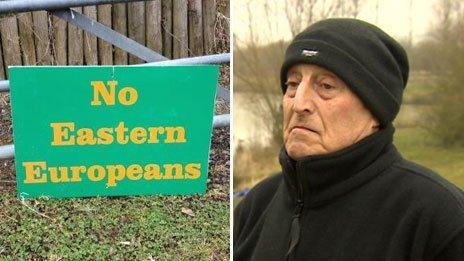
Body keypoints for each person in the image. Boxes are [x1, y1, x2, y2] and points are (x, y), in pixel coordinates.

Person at [233, 18, 464, 261]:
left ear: (375, 110)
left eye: (326, 86)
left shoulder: (440, 220)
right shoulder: (257, 205)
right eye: (292, 84)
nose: (299, 104)